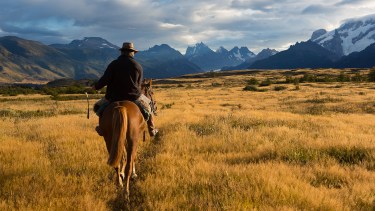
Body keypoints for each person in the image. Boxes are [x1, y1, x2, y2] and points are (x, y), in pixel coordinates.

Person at [92, 42, 158, 137]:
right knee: (149, 105)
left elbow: (104, 79)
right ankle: (151, 129)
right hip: (133, 97)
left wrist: (96, 86)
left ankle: (101, 128)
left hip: (113, 97)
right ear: (132, 53)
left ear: (122, 52)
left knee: (97, 107)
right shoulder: (137, 66)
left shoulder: (113, 64)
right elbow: (138, 84)